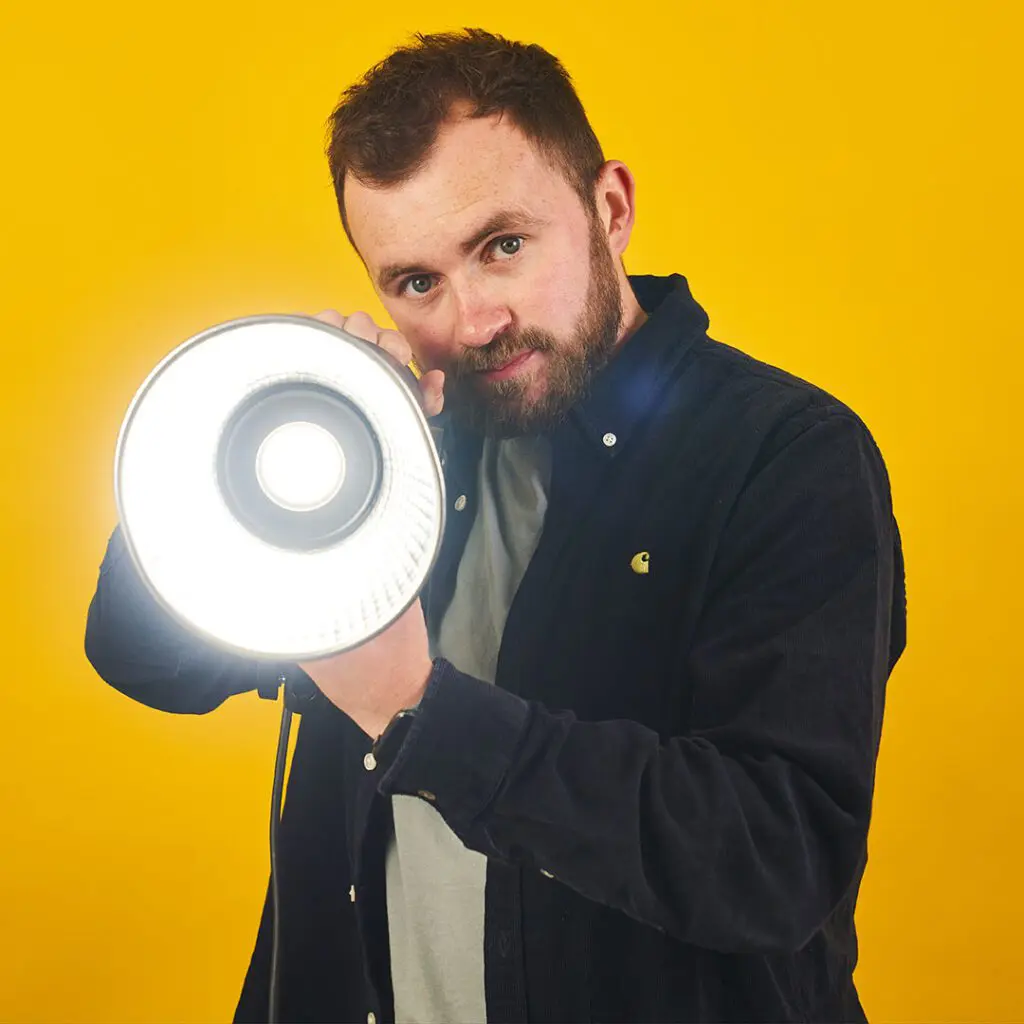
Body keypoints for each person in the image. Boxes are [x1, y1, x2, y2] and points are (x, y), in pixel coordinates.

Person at [85, 28, 906, 1024]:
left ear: (609, 208)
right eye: (416, 281)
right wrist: (248, 438)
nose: (472, 322)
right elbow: (147, 660)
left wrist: (415, 708)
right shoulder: (396, 448)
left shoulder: (784, 455)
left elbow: (775, 860)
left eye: (502, 246)